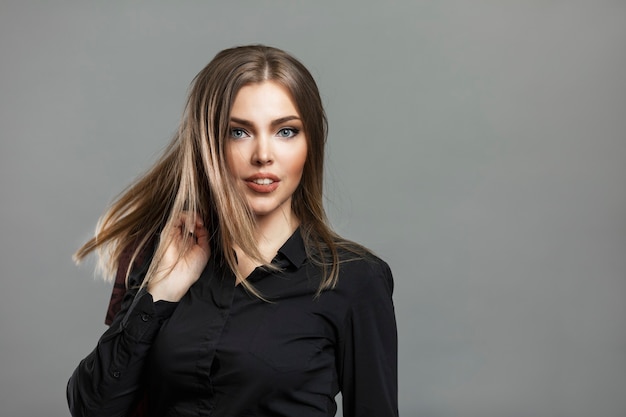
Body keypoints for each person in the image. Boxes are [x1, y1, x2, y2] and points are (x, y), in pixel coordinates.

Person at [67, 44, 398, 417]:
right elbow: (92, 409)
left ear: (310, 145)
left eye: (285, 131)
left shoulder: (354, 279)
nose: (263, 154)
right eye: (239, 132)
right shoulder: (161, 256)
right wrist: (160, 291)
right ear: (209, 144)